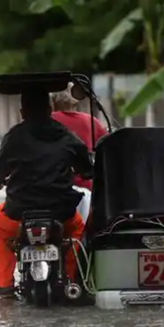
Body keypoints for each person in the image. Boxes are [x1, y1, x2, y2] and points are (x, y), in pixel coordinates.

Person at [0, 89, 94, 298]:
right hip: (61, 211)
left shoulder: (14, 136)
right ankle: (71, 278)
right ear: (49, 110)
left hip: (19, 212)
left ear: (22, 112)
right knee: (78, 229)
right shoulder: (66, 135)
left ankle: (4, 285)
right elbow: (86, 167)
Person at [50, 82, 109, 222]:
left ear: (53, 101)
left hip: (50, 188)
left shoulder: (45, 121)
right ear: (75, 99)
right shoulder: (90, 121)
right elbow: (109, 145)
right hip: (86, 189)